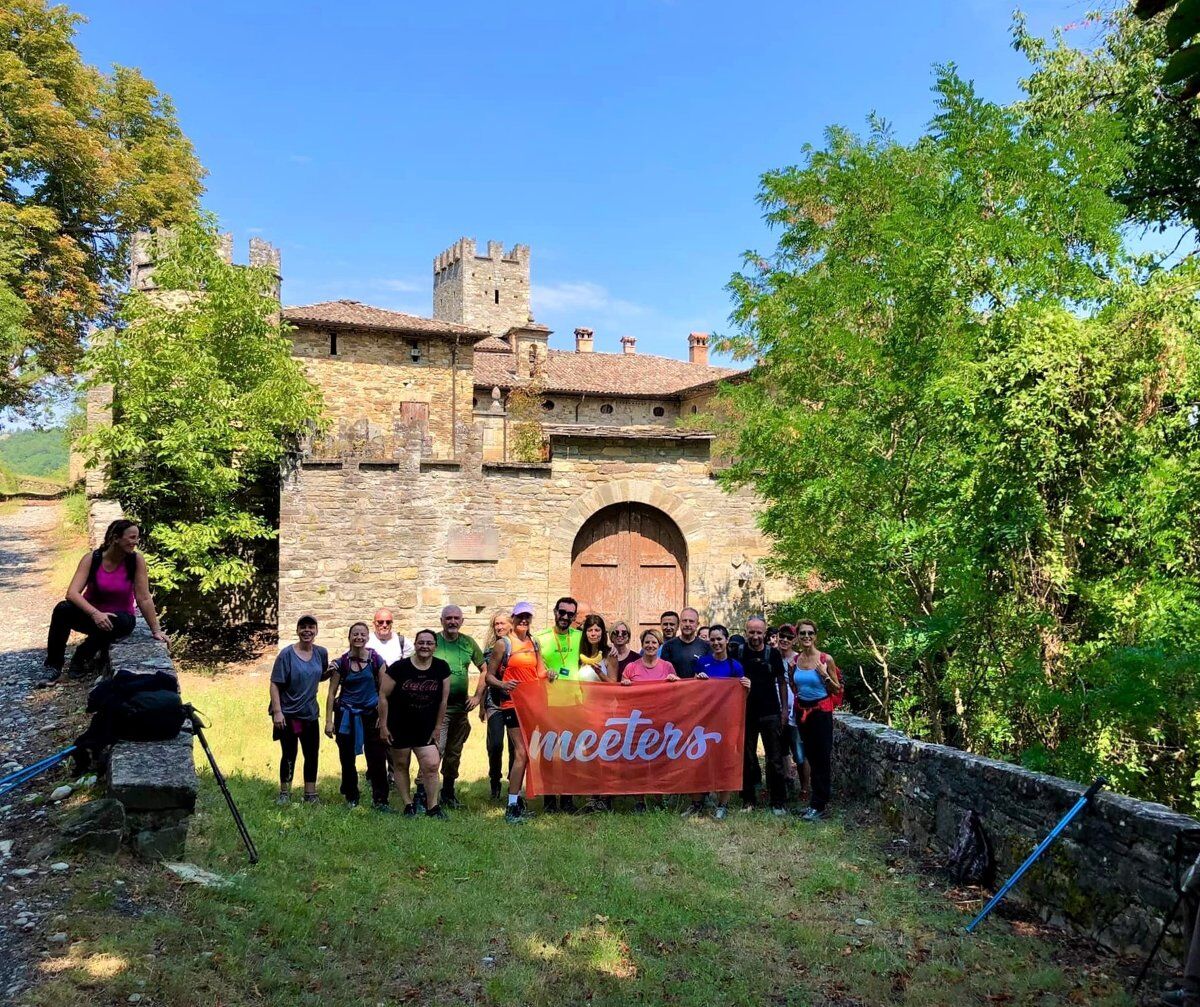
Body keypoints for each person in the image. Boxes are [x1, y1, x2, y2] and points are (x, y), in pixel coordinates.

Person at [45, 519, 168, 682]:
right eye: (131, 538)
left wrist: (156, 630)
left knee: (119, 623)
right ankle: (53, 665)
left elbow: (143, 597)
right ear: (115, 538)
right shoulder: (92, 559)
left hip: (120, 619)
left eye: (137, 538)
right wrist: (95, 613)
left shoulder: (136, 561)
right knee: (62, 609)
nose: (135, 542)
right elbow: (72, 594)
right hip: (91, 616)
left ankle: (81, 658)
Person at [487, 601, 552, 824]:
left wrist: (549, 674)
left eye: (528, 617)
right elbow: (489, 676)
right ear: (513, 619)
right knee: (522, 752)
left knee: (525, 754)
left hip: (532, 703)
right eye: (520, 617)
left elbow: (539, 671)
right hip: (512, 703)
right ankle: (512, 805)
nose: (524, 620)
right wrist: (502, 685)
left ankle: (517, 800)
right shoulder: (504, 644)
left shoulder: (534, 642)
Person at [378, 629, 451, 818]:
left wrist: (437, 727)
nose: (424, 646)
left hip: (425, 727)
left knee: (432, 765)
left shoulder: (441, 668)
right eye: (421, 642)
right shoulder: (399, 668)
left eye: (429, 643)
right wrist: (384, 726)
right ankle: (408, 804)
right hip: (399, 725)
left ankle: (432, 806)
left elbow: (443, 701)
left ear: (435, 647)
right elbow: (383, 696)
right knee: (401, 765)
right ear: (415, 644)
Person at [324, 622, 390, 811]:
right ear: (349, 638)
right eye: (355, 634)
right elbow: (331, 693)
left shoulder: (377, 660)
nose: (359, 637)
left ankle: (381, 800)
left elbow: (384, 692)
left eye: (362, 634)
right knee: (346, 759)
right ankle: (351, 796)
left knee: (377, 758)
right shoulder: (341, 663)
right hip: (346, 716)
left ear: (368, 638)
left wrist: (383, 717)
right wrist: (328, 721)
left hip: (371, 715)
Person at [688, 624, 751, 820]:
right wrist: (697, 680)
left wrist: (747, 689)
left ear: (726, 640)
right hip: (704, 721)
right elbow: (692, 691)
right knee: (698, 761)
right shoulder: (702, 663)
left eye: (719, 639)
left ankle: (722, 805)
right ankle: (697, 803)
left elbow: (741, 699)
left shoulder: (735, 666)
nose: (716, 643)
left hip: (727, 722)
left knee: (725, 761)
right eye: (712, 639)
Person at [270, 615, 329, 805]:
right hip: (290, 716)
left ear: (316, 630)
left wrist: (335, 669)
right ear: (297, 630)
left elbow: (318, 676)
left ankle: (310, 794)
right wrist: (278, 712)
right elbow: (274, 683)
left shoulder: (321, 653)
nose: (307, 631)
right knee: (290, 753)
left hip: (310, 714)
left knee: (311, 753)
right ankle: (284, 792)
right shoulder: (287, 655)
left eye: (311, 627)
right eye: (302, 627)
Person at [620, 628, 679, 813]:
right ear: (642, 645)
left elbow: (678, 692)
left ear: (659, 645)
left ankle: (658, 797)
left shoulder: (667, 666)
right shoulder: (631, 667)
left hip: (660, 721)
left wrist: (674, 681)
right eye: (647, 642)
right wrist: (625, 685)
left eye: (654, 642)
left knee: (659, 761)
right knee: (639, 762)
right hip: (637, 721)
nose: (650, 645)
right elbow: (621, 695)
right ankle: (639, 800)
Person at [434, 605, 485, 809]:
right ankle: (423, 793)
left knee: (454, 753)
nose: (452, 622)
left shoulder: (467, 643)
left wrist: (478, 696)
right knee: (435, 751)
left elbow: (484, 669)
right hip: (438, 712)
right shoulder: (433, 641)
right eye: (448, 618)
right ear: (442, 621)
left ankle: (448, 793)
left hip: (461, 710)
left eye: (456, 618)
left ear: (462, 621)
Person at [791, 619, 842, 821]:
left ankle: (819, 805)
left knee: (821, 758)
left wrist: (825, 676)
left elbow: (837, 689)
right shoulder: (796, 661)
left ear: (815, 636)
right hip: (803, 712)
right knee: (810, 757)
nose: (806, 637)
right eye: (802, 633)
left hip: (821, 713)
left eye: (810, 633)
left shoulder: (825, 659)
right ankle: (815, 802)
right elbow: (796, 686)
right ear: (798, 636)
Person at [739, 616, 789, 815]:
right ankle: (748, 800)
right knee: (747, 759)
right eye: (751, 632)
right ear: (746, 632)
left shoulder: (773, 654)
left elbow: (782, 682)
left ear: (765, 632)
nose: (755, 636)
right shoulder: (739, 652)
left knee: (774, 759)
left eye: (759, 632)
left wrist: (785, 710)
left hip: (771, 712)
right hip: (746, 713)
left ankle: (778, 801)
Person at [537, 596, 582, 813]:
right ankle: (548, 801)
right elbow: (532, 668)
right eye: (561, 612)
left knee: (570, 752)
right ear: (555, 612)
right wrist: (545, 673)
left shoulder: (581, 637)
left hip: (574, 703)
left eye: (570, 614)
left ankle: (567, 799)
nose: (565, 617)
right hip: (549, 703)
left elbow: (600, 652)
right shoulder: (540, 638)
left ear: (575, 617)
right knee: (549, 753)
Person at [577, 613, 613, 813]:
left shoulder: (609, 655)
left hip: (604, 711)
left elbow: (615, 684)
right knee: (587, 753)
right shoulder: (579, 656)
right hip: (584, 711)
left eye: (597, 629)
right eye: (590, 630)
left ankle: (605, 797)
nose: (593, 633)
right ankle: (592, 797)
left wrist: (600, 672)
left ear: (602, 632)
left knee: (604, 754)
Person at [480, 610, 515, 800]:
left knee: (513, 746)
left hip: (514, 702)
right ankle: (494, 780)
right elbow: (486, 677)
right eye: (496, 624)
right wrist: (481, 706)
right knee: (495, 744)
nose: (499, 627)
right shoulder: (490, 649)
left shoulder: (519, 647)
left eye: (503, 623)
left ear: (511, 624)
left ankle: (513, 784)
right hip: (494, 702)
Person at [777, 624, 811, 804]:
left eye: (789, 637)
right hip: (775, 712)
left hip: (795, 713)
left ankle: (805, 788)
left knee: (799, 753)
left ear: (795, 640)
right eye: (782, 636)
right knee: (779, 752)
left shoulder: (799, 660)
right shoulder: (771, 656)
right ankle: (785, 783)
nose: (784, 640)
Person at [660, 606, 710, 679]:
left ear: (697, 624)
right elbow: (664, 672)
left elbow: (710, 671)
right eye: (684, 621)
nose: (687, 624)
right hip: (675, 688)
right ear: (680, 623)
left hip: (699, 689)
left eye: (691, 621)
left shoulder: (706, 647)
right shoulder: (668, 646)